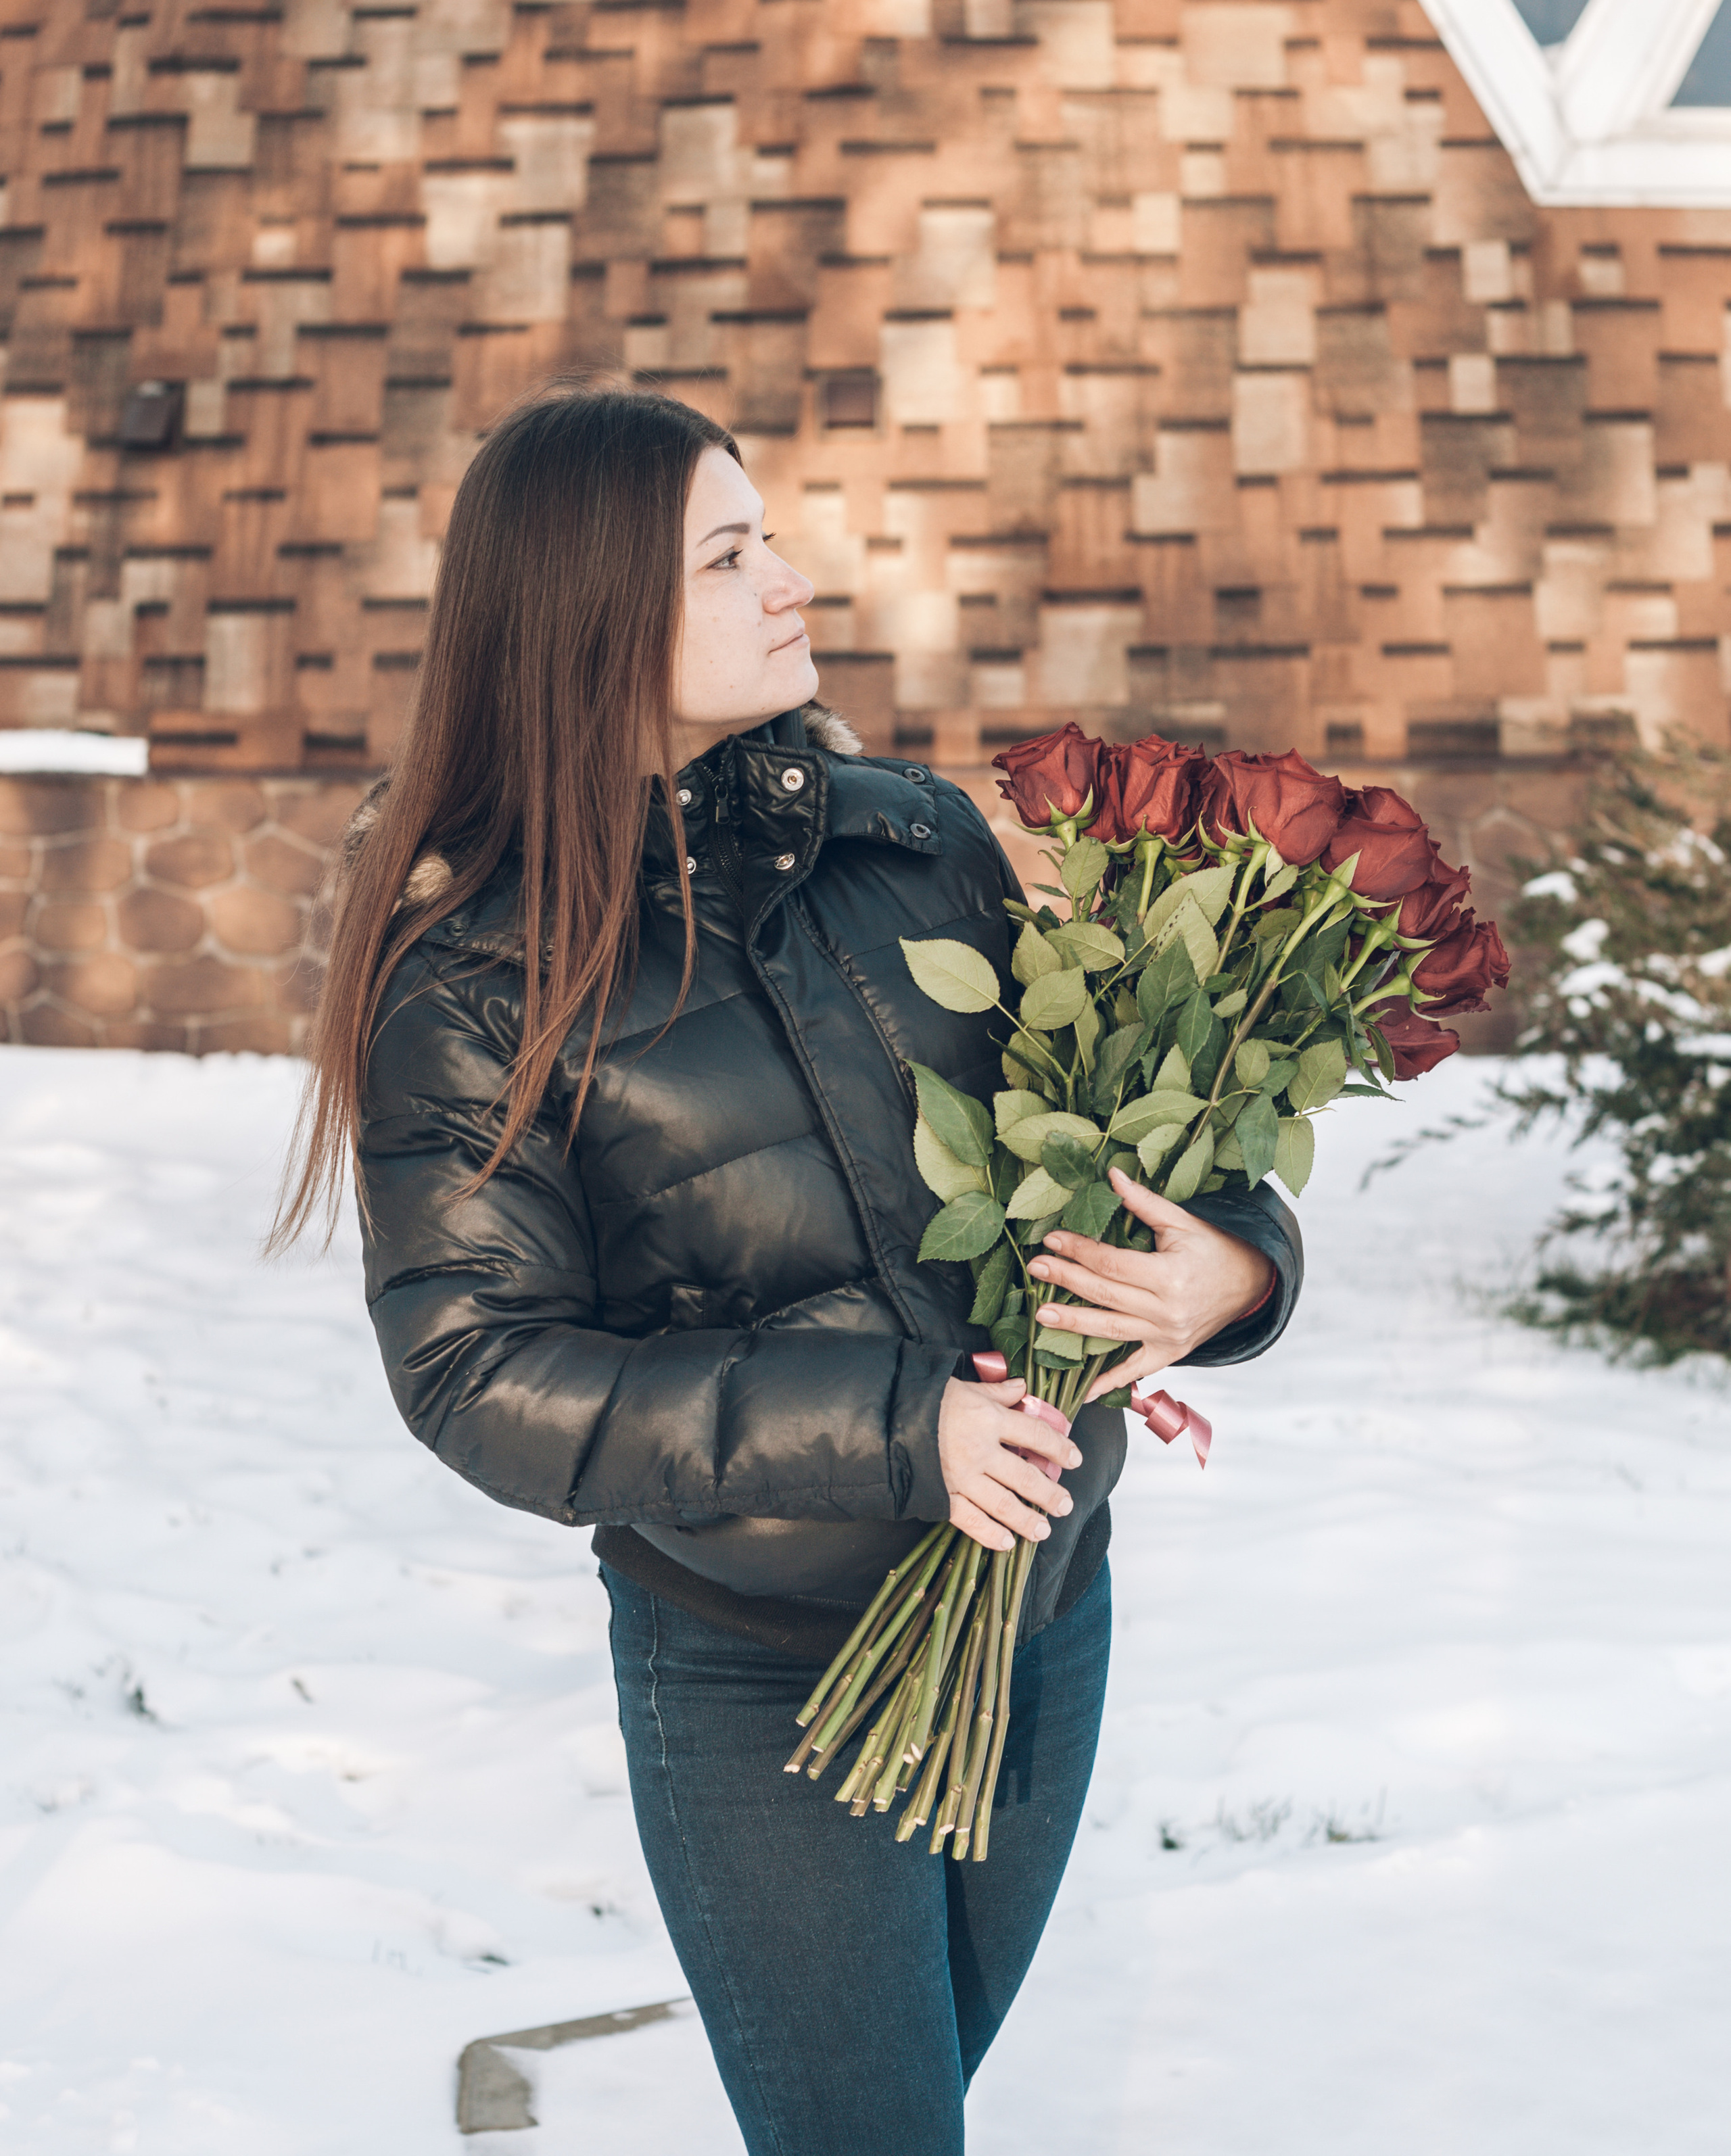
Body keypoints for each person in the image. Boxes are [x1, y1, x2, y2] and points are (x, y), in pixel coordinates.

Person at [277, 386, 1302, 2156]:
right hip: (770, 1674)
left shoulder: (910, 840)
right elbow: (478, 1373)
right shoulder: (475, 974)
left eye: (772, 536)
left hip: (1046, 1607)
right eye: (731, 554)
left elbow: (1116, 1138)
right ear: (598, 613)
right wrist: (906, 1438)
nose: (793, 580)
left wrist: (1232, 1271)